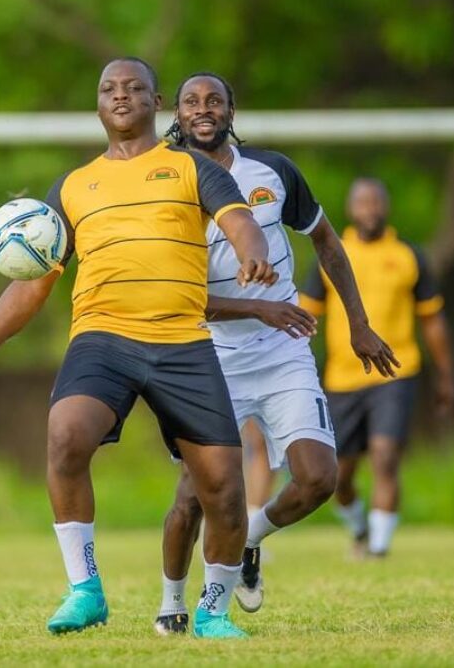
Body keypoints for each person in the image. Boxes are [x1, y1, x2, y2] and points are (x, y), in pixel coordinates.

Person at [0, 58, 277, 639]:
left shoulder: (190, 168)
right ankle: (85, 588)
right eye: (108, 88)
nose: (120, 95)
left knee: (225, 490)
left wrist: (252, 250)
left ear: (156, 103)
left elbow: (241, 224)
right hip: (102, 338)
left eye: (133, 88)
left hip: (183, 342)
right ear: (98, 105)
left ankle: (213, 612)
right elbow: (35, 281)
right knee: (65, 436)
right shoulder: (74, 186)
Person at [156, 72, 399, 632]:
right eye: (191, 101)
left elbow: (327, 242)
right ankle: (172, 602)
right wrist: (258, 308)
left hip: (282, 350)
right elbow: (179, 294)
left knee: (319, 478)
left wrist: (359, 324)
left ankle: (250, 540)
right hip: (208, 355)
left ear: (231, 109)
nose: (203, 109)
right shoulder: (166, 185)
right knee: (195, 496)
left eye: (214, 99)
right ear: (177, 113)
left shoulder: (273, 171)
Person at [300, 177, 454, 558]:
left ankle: (380, 549)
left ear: (386, 207)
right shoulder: (331, 254)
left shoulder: (408, 256)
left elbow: (432, 320)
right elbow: (305, 318)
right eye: (362, 203)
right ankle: (360, 529)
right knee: (340, 475)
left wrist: (447, 376)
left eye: (376, 203)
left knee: (386, 456)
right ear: (351, 209)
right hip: (342, 378)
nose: (370, 209)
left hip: (397, 372)